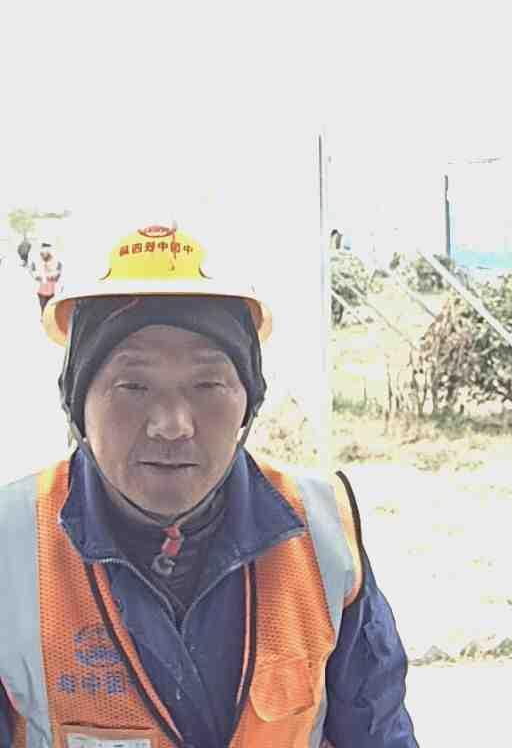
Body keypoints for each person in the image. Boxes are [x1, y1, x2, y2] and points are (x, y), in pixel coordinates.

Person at [0, 223, 419, 747]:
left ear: (248, 402)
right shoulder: (12, 543)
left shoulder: (322, 534)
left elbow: (378, 729)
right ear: (78, 405)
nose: (172, 424)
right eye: (133, 385)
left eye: (207, 384)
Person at [29, 241, 63, 314]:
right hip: (41, 290)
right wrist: (39, 277)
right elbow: (33, 272)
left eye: (47, 250)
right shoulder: (37, 260)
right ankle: (43, 316)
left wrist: (53, 276)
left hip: (51, 290)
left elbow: (58, 273)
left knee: (49, 307)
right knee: (44, 307)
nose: (45, 252)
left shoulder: (55, 261)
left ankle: (45, 316)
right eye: (44, 250)